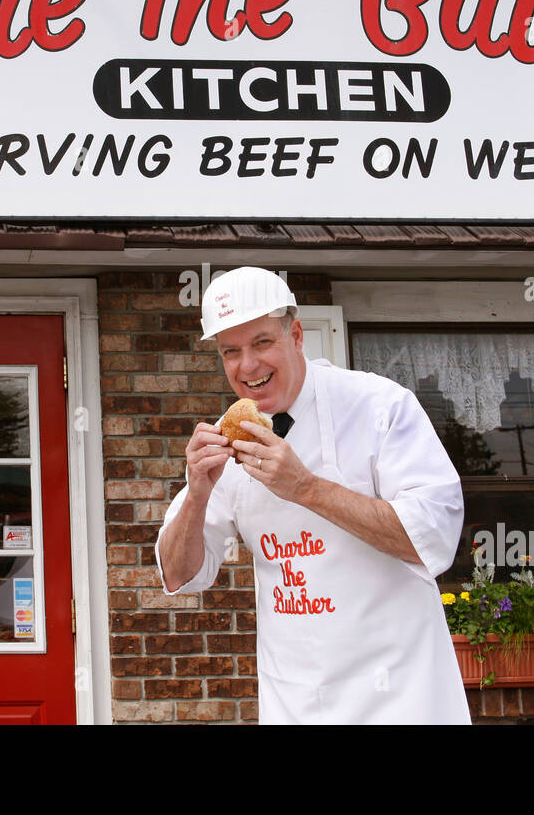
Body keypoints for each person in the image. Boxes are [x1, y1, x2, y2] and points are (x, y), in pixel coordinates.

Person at [155, 266, 471, 724]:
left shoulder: (379, 406)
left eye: (262, 342)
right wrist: (198, 493)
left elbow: (435, 537)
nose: (248, 366)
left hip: (403, 699)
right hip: (297, 702)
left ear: (297, 335)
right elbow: (178, 575)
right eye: (231, 351)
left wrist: (305, 488)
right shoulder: (229, 440)